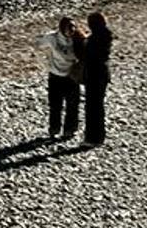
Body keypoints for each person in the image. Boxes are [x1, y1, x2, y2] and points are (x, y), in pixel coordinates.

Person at [39, 16, 82, 140]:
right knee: (55, 105)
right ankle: (54, 129)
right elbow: (39, 43)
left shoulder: (77, 39)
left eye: (73, 27)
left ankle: (70, 129)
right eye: (69, 27)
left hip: (71, 77)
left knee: (72, 105)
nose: (71, 30)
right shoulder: (52, 38)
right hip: (55, 76)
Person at [82, 10, 113, 145]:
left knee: (92, 107)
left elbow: (87, 55)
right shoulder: (106, 35)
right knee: (98, 106)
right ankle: (99, 137)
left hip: (94, 74)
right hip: (103, 73)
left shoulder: (94, 40)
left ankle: (92, 138)